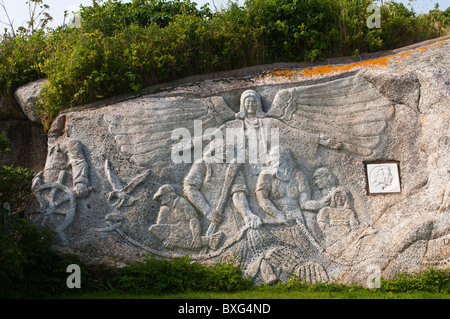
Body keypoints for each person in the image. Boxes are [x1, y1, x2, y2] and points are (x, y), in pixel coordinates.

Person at [149, 184, 224, 251]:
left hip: (188, 234)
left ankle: (209, 240)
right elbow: (161, 229)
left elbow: (193, 219)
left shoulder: (182, 202)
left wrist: (196, 237)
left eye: (161, 197)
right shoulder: (163, 209)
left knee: (191, 240)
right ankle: (209, 241)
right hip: (175, 237)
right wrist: (165, 241)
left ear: (169, 195)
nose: (160, 201)